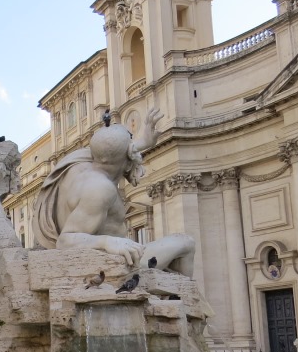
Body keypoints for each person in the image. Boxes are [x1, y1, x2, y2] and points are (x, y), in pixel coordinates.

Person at [33, 109, 196, 276]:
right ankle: (182, 292)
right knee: (186, 243)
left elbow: (110, 151)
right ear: (128, 160)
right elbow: (65, 241)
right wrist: (107, 242)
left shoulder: (80, 161)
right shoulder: (101, 189)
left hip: (117, 251)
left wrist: (144, 142)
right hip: (116, 259)